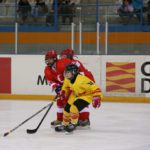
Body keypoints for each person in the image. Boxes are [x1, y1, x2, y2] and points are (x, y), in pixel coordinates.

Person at [55, 64, 103, 132]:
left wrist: (97, 97)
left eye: (68, 72)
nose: (66, 74)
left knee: (74, 108)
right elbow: (65, 87)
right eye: (65, 72)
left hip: (87, 95)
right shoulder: (67, 79)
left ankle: (73, 124)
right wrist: (63, 92)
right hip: (75, 94)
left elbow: (96, 88)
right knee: (66, 110)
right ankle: (65, 124)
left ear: (74, 72)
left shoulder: (83, 80)